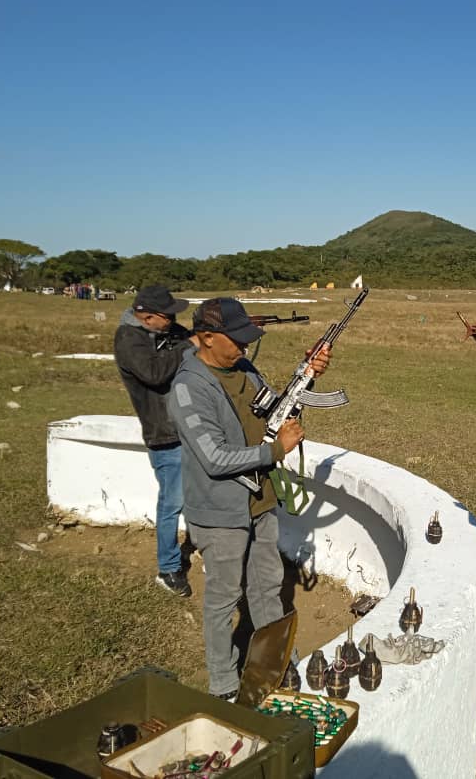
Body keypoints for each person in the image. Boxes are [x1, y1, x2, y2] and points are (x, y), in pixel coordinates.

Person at [166, 297, 331, 701]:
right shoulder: (187, 388)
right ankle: (223, 684)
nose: (244, 346)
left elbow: (275, 410)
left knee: (267, 589)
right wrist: (274, 453)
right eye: (235, 339)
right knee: (224, 600)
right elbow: (215, 456)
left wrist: (306, 376)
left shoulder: (243, 368)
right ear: (205, 338)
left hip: (260, 501)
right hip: (219, 511)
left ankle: (276, 667)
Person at [113, 284, 195, 597]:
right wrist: (190, 344)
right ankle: (168, 567)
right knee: (172, 503)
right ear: (146, 317)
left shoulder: (162, 333)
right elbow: (154, 373)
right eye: (168, 316)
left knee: (194, 494)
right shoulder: (128, 338)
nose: (173, 321)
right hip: (164, 434)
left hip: (184, 427)